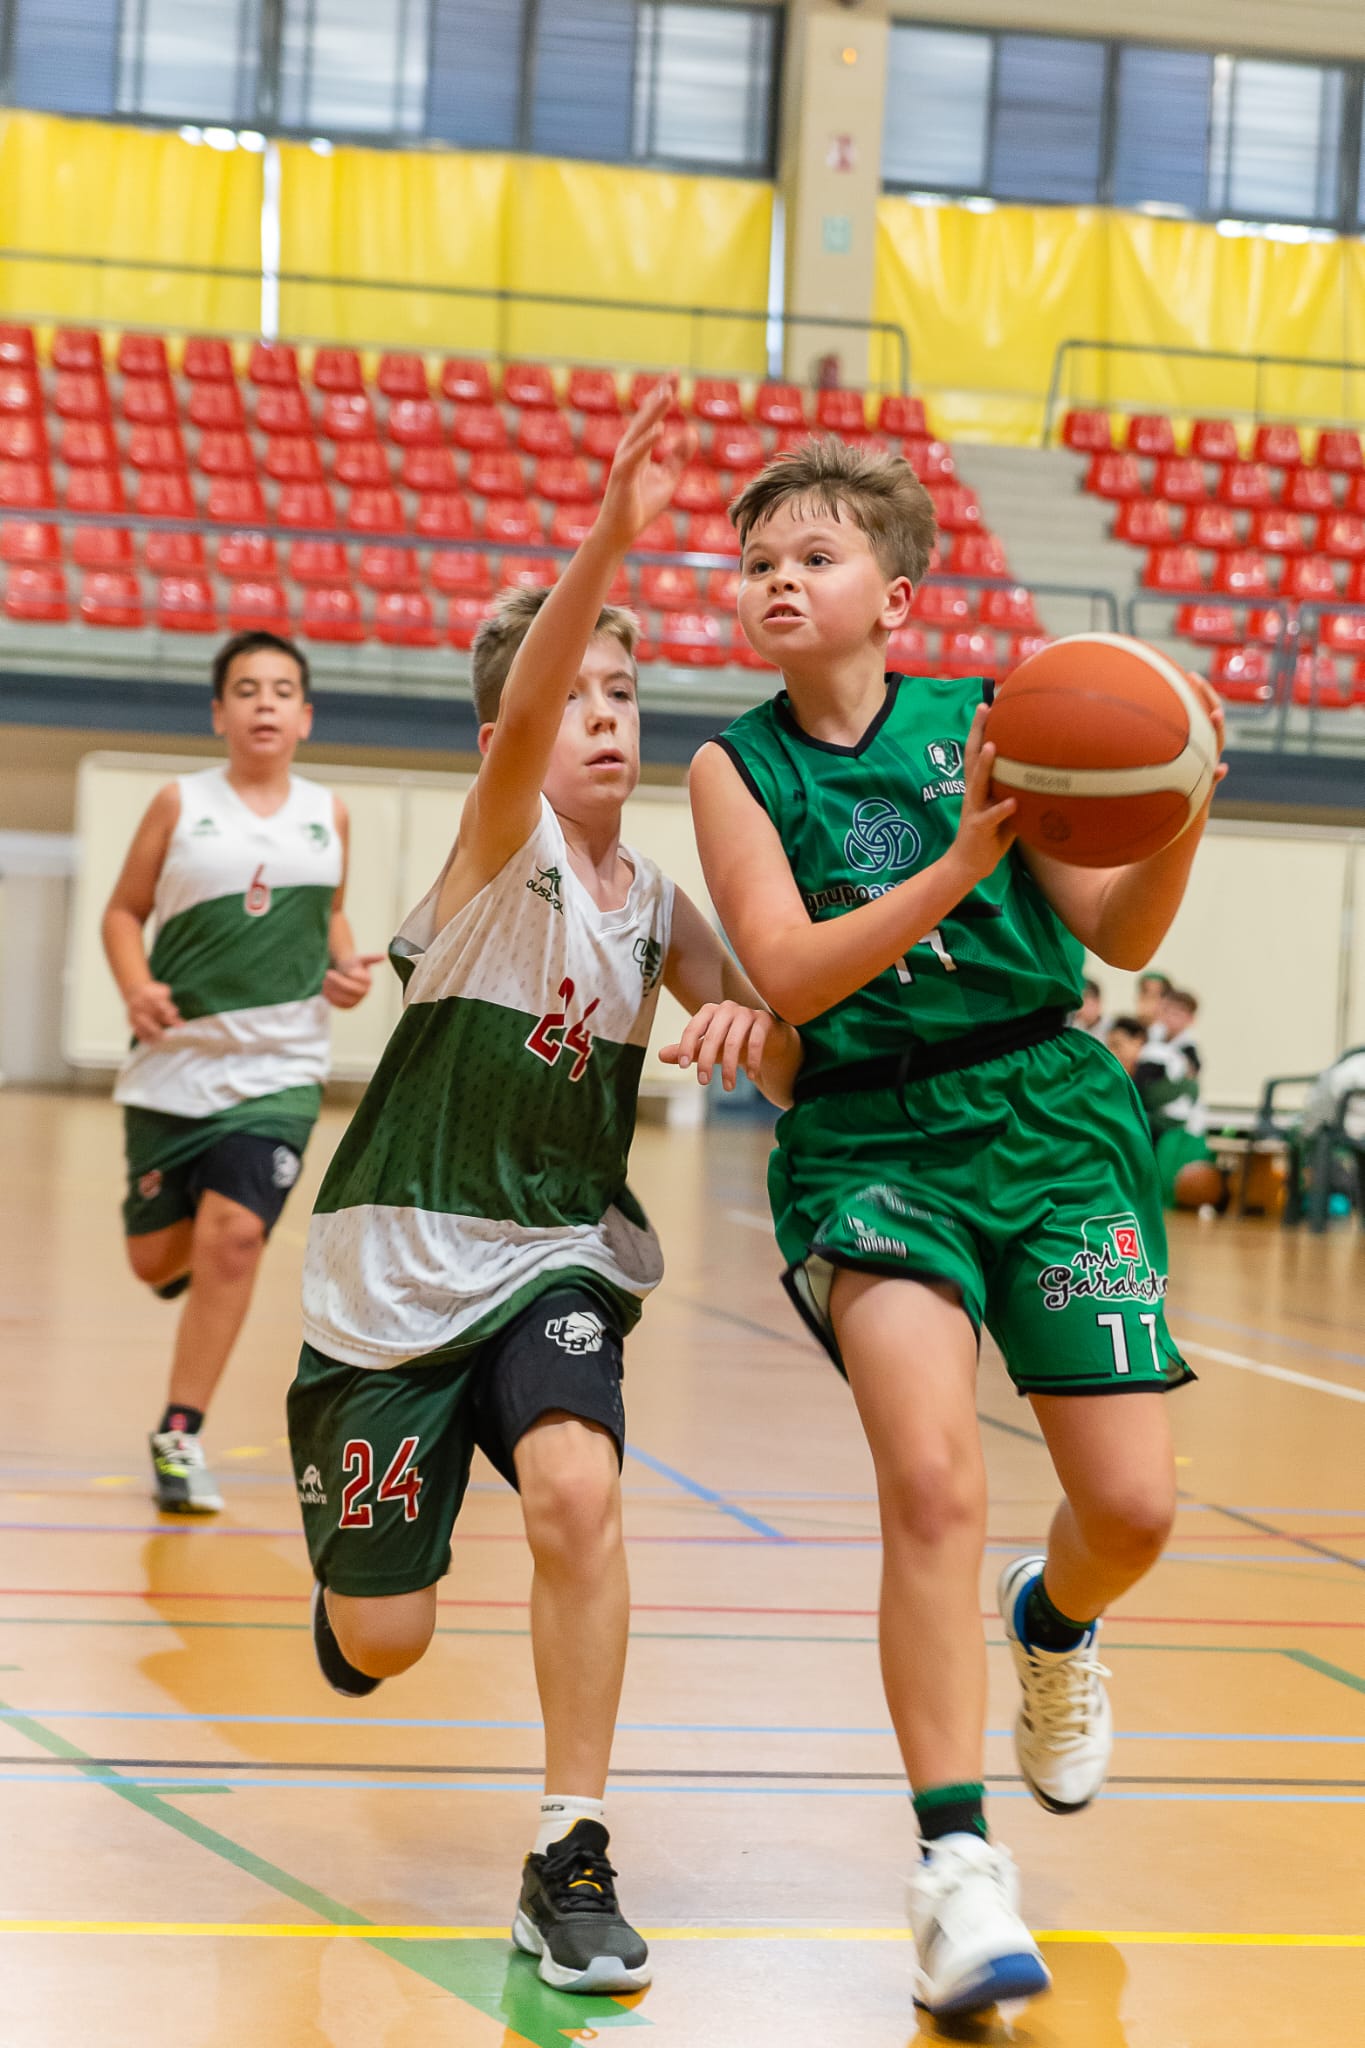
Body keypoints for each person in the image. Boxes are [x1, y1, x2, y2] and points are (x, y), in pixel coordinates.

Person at [684, 438, 1225, 2022]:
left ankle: (1050, 1622)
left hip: (1050, 1117)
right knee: (931, 1477)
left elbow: (1116, 930)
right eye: (758, 560)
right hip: (869, 1135)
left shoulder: (1002, 727)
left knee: (1128, 1512)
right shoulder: (737, 766)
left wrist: (1179, 792)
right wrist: (964, 863)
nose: (780, 576)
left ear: (896, 598)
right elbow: (782, 974)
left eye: (816, 556)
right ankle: (953, 1867)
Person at [287, 383, 801, 1998]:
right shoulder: (490, 847)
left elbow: (784, 1054)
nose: (602, 712)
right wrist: (609, 537)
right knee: (387, 1640)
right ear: (508, 722)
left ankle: (568, 1846)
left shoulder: (660, 902)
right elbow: (518, 733)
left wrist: (750, 1023)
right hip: (393, 1271)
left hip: (555, 1253)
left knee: (579, 1488)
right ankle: (358, 1583)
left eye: (625, 689)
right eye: (568, 691)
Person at [102, 631, 381, 1515]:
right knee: (155, 1261)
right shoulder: (178, 804)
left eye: (282, 689)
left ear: (305, 715)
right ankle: (177, 1230)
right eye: (247, 689)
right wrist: (138, 985)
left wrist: (344, 970)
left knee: (234, 1238)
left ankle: (180, 1432)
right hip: (172, 1072)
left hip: (279, 1070)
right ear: (219, 712)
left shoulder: (327, 812)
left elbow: (332, 915)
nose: (265, 703)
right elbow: (122, 911)